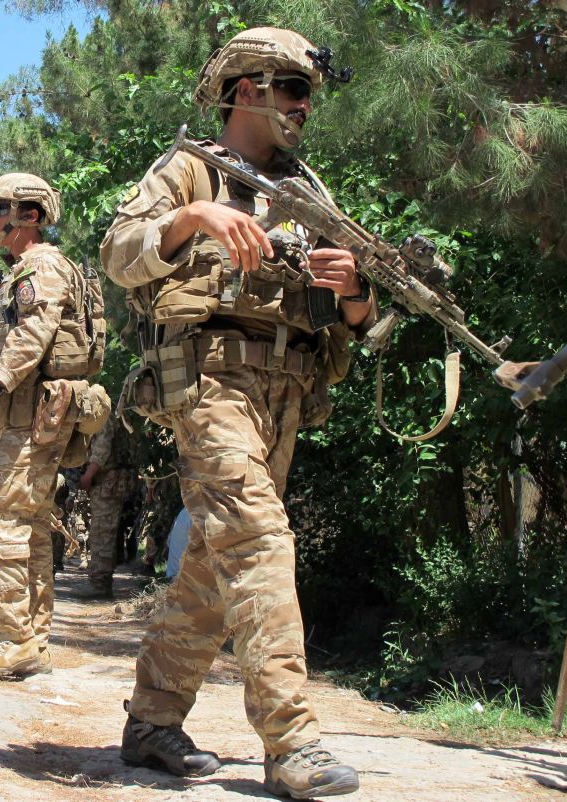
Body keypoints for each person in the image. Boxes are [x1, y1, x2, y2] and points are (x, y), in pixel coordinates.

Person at [100, 27, 377, 800]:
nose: (305, 107)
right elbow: (118, 252)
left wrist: (352, 291)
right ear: (248, 90)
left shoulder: (309, 192)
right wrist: (194, 220)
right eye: (294, 90)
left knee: (211, 574)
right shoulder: (190, 169)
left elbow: (357, 322)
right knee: (258, 544)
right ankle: (292, 743)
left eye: (310, 94)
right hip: (208, 386)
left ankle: (152, 721)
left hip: (283, 397)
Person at [0, 172, 103, 679]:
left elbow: (31, 338)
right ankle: (32, 641)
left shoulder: (41, 267)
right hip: (28, 417)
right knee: (31, 526)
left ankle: (13, 639)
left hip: (36, 417)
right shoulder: (21, 271)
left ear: (29, 216)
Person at [75, 416, 136, 599]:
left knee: (102, 534)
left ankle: (100, 586)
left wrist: (88, 475)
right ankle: (102, 583)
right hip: (106, 482)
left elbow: (101, 451)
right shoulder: (102, 416)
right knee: (103, 533)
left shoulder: (102, 418)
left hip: (106, 482)